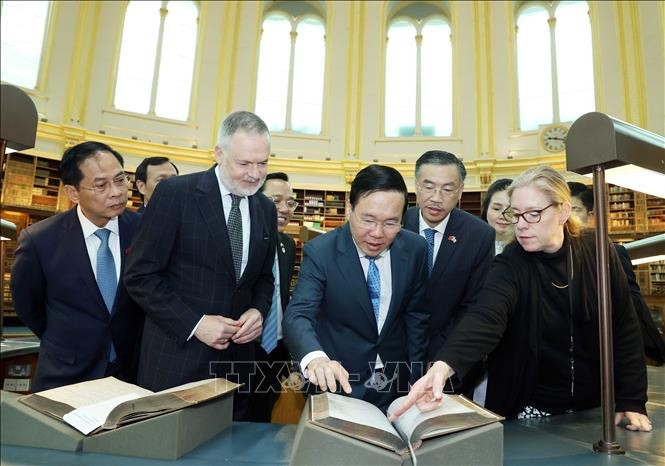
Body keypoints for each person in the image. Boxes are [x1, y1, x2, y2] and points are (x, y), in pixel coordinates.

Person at [390, 166, 652, 433]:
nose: (522, 225)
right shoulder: (510, 263)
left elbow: (624, 326)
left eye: (534, 214)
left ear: (563, 211)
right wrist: (443, 367)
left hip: (594, 404)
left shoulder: (598, 250)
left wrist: (632, 399)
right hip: (529, 405)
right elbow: (485, 318)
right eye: (516, 215)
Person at [123, 111, 277, 420]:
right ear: (219, 154)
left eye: (262, 163)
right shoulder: (175, 195)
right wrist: (195, 324)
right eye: (244, 163)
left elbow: (262, 278)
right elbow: (139, 276)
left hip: (238, 368)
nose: (254, 174)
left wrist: (258, 311)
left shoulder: (265, 209)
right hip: (177, 363)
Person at [283, 165, 430, 411]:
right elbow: (298, 314)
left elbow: (416, 318)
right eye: (368, 220)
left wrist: (415, 380)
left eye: (391, 223)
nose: (377, 234)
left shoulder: (415, 249)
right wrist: (315, 358)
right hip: (337, 382)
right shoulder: (321, 252)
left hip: (394, 382)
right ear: (350, 209)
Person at [10, 141, 143, 391]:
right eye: (101, 185)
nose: (116, 192)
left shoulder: (143, 230)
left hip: (131, 373)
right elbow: (28, 306)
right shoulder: (40, 240)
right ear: (72, 193)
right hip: (66, 373)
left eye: (120, 179)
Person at [403, 151, 495, 365]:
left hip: (447, 353)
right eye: (428, 186)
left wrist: (442, 357)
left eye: (447, 189)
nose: (436, 198)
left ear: (460, 190)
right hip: (392, 351)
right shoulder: (395, 224)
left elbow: (474, 304)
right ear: (416, 185)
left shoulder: (479, 234)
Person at [568, 181, 665, 364]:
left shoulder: (611, 252)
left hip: (602, 351)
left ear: (590, 216)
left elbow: (633, 303)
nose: (568, 217)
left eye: (575, 209)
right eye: (562, 208)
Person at [248, 172, 298, 422]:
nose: (284, 208)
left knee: (267, 414)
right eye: (275, 200)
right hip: (246, 349)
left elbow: (283, 297)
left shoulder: (288, 245)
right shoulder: (244, 242)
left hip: (275, 351)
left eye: (290, 203)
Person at [481, 178, 514, 254]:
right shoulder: (470, 244)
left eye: (511, 210)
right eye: (496, 209)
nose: (503, 216)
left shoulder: (530, 248)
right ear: (486, 210)